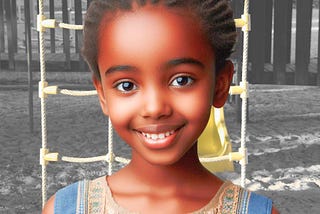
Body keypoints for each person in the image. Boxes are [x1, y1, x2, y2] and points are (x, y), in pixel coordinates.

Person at [43, 0, 279, 213]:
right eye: (126, 85)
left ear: (220, 85)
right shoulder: (67, 209)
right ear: (103, 94)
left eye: (182, 80)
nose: (155, 108)